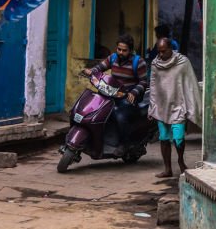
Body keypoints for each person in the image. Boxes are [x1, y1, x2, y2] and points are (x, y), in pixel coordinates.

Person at [148, 38, 202, 178]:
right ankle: (167, 169)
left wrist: (192, 106)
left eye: (163, 51)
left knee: (178, 138)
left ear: (171, 49)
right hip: (161, 106)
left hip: (179, 105)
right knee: (164, 138)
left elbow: (190, 84)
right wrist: (151, 107)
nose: (160, 54)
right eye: (158, 52)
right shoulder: (155, 64)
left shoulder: (183, 62)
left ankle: (181, 161)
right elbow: (153, 87)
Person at [84, 33, 147, 140]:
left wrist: (134, 93)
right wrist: (91, 71)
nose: (121, 52)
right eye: (119, 49)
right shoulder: (113, 58)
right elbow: (100, 67)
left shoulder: (138, 62)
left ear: (130, 50)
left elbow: (143, 81)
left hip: (127, 95)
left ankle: (124, 144)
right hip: (112, 92)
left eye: (124, 50)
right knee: (94, 109)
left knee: (120, 116)